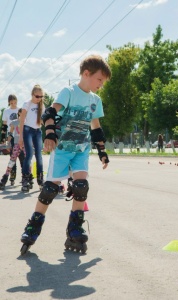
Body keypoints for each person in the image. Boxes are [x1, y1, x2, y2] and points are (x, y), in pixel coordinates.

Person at [20, 54, 112, 255]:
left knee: (81, 186)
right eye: (99, 80)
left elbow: (96, 128)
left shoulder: (95, 100)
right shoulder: (68, 92)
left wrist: (102, 151)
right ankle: (33, 226)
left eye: (103, 82)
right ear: (86, 74)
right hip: (62, 150)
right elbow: (50, 114)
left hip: (81, 151)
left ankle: (74, 228)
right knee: (50, 189)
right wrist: (50, 134)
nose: (101, 85)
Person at [19, 85, 45, 192]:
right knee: (29, 154)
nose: (39, 98)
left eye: (41, 96)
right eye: (37, 96)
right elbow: (22, 121)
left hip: (38, 131)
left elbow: (43, 120)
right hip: (27, 130)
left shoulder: (42, 106)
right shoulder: (27, 104)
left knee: (39, 156)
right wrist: (20, 137)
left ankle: (40, 179)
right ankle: (25, 179)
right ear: (32, 94)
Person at [0, 108, 25, 190]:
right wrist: (8, 143)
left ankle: (25, 179)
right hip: (16, 145)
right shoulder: (14, 122)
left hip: (24, 146)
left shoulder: (27, 123)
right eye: (22, 113)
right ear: (19, 113)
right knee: (12, 161)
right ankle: (5, 178)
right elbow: (10, 133)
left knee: (25, 163)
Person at [1, 94, 20, 184]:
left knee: (22, 157)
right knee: (12, 156)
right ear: (9, 102)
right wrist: (2, 138)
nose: (13, 104)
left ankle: (26, 176)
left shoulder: (19, 110)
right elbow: (4, 125)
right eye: (11, 103)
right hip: (10, 135)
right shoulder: (6, 111)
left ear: (17, 101)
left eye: (15, 102)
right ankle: (12, 176)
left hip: (19, 135)